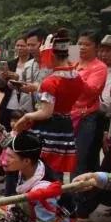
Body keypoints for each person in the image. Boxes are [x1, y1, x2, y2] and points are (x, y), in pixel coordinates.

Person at [14, 31, 82, 176]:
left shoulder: (50, 81)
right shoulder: (76, 76)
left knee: (42, 170)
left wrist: (26, 117)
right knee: (57, 171)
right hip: (65, 126)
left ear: (51, 54)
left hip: (48, 128)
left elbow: (46, 112)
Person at [71, 31, 109, 178]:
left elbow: (91, 91)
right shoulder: (73, 63)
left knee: (79, 159)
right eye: (80, 44)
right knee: (61, 157)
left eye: (87, 44)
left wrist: (73, 76)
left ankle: (78, 199)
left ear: (96, 47)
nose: (82, 47)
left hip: (85, 117)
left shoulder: (99, 67)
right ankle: (63, 196)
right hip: (68, 114)